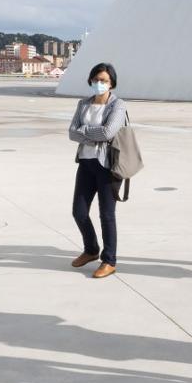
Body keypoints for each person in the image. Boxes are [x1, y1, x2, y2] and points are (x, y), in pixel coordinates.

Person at [67, 62, 126, 279]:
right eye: (96, 79)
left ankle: (109, 260)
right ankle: (91, 249)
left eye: (104, 80)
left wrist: (84, 131)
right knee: (79, 211)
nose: (99, 83)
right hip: (86, 162)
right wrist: (93, 134)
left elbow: (109, 132)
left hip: (107, 166)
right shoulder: (83, 104)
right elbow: (71, 133)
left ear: (112, 83)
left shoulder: (118, 105)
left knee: (106, 214)